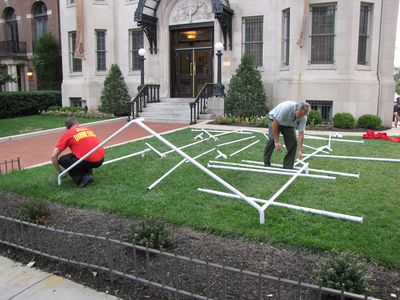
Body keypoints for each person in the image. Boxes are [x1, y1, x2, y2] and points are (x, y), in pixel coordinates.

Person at [51, 117, 105, 188]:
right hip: (101, 159)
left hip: (88, 160)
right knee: (80, 155)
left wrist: (60, 172)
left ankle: (82, 178)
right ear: (78, 123)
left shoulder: (68, 133)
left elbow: (53, 156)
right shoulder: (87, 129)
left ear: (67, 127)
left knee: (63, 159)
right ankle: (88, 175)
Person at [264, 101, 310, 169]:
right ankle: (266, 162)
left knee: (293, 143)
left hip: (288, 125)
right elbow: (274, 124)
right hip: (274, 121)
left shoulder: (303, 117)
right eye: (299, 114)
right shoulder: (286, 108)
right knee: (272, 141)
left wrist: (300, 151)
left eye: (302, 116)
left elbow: (301, 134)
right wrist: (276, 142)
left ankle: (288, 166)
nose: (300, 117)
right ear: (296, 109)